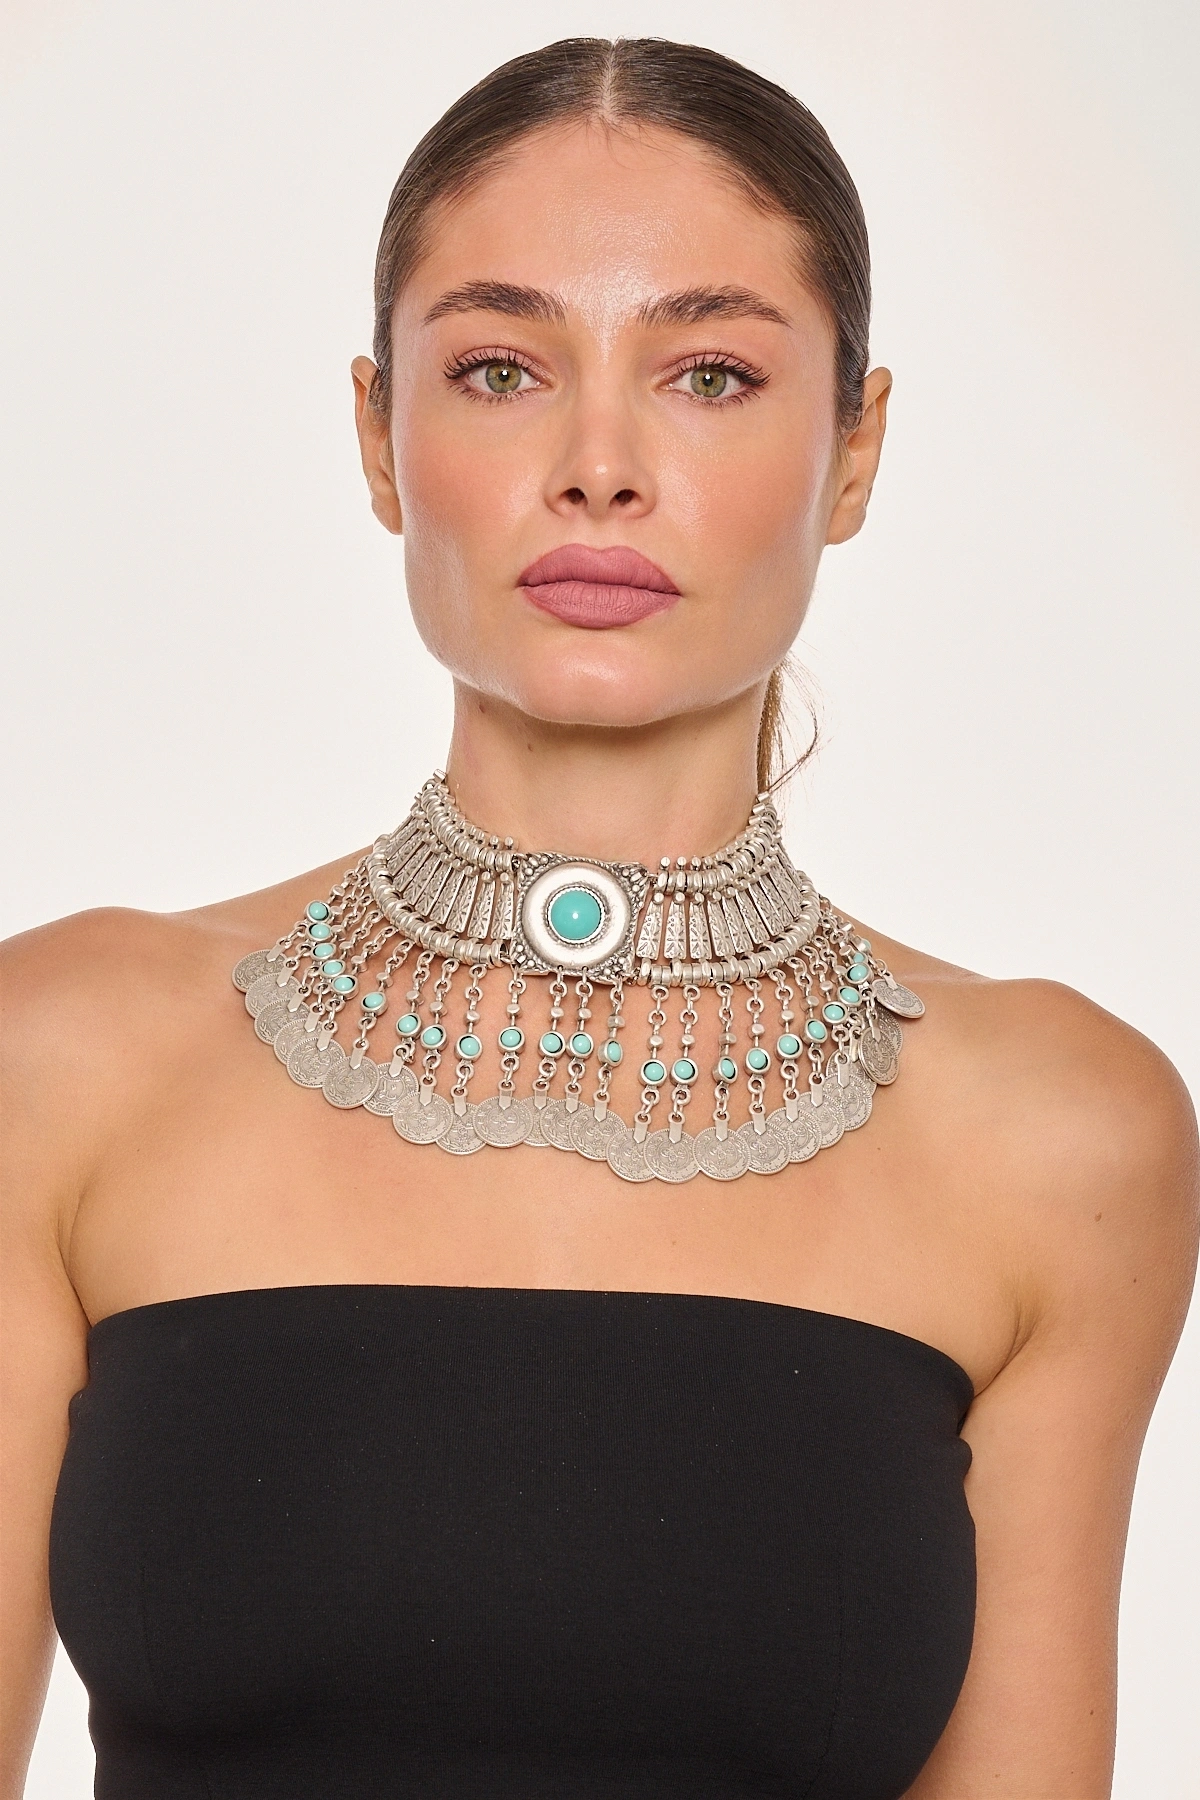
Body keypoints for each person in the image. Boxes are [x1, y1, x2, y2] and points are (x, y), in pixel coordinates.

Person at [1, 35, 1195, 1800]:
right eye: (500, 368)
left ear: (855, 451)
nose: (600, 466)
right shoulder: (64, 1059)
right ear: (379, 436)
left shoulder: (1059, 1137)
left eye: (710, 374)